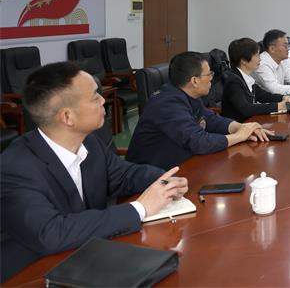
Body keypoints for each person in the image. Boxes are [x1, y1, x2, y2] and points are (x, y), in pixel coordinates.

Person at [0, 62, 189, 281]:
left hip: (86, 256)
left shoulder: (90, 142)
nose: (103, 100)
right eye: (94, 97)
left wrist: (165, 181)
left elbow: (123, 174)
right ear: (67, 117)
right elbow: (51, 233)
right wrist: (140, 208)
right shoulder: (15, 168)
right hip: (32, 273)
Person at [127, 51, 270, 170]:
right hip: (152, 178)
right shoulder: (167, 104)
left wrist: (240, 127)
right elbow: (199, 142)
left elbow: (210, 119)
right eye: (209, 74)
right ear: (194, 81)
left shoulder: (188, 94)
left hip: (182, 164)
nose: (211, 79)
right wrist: (240, 136)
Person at [222, 38, 290, 122]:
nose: (260, 59)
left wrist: (283, 97)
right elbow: (245, 109)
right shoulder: (234, 81)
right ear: (244, 60)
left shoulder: (245, 77)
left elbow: (263, 95)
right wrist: (278, 106)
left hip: (249, 122)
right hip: (237, 126)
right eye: (257, 55)